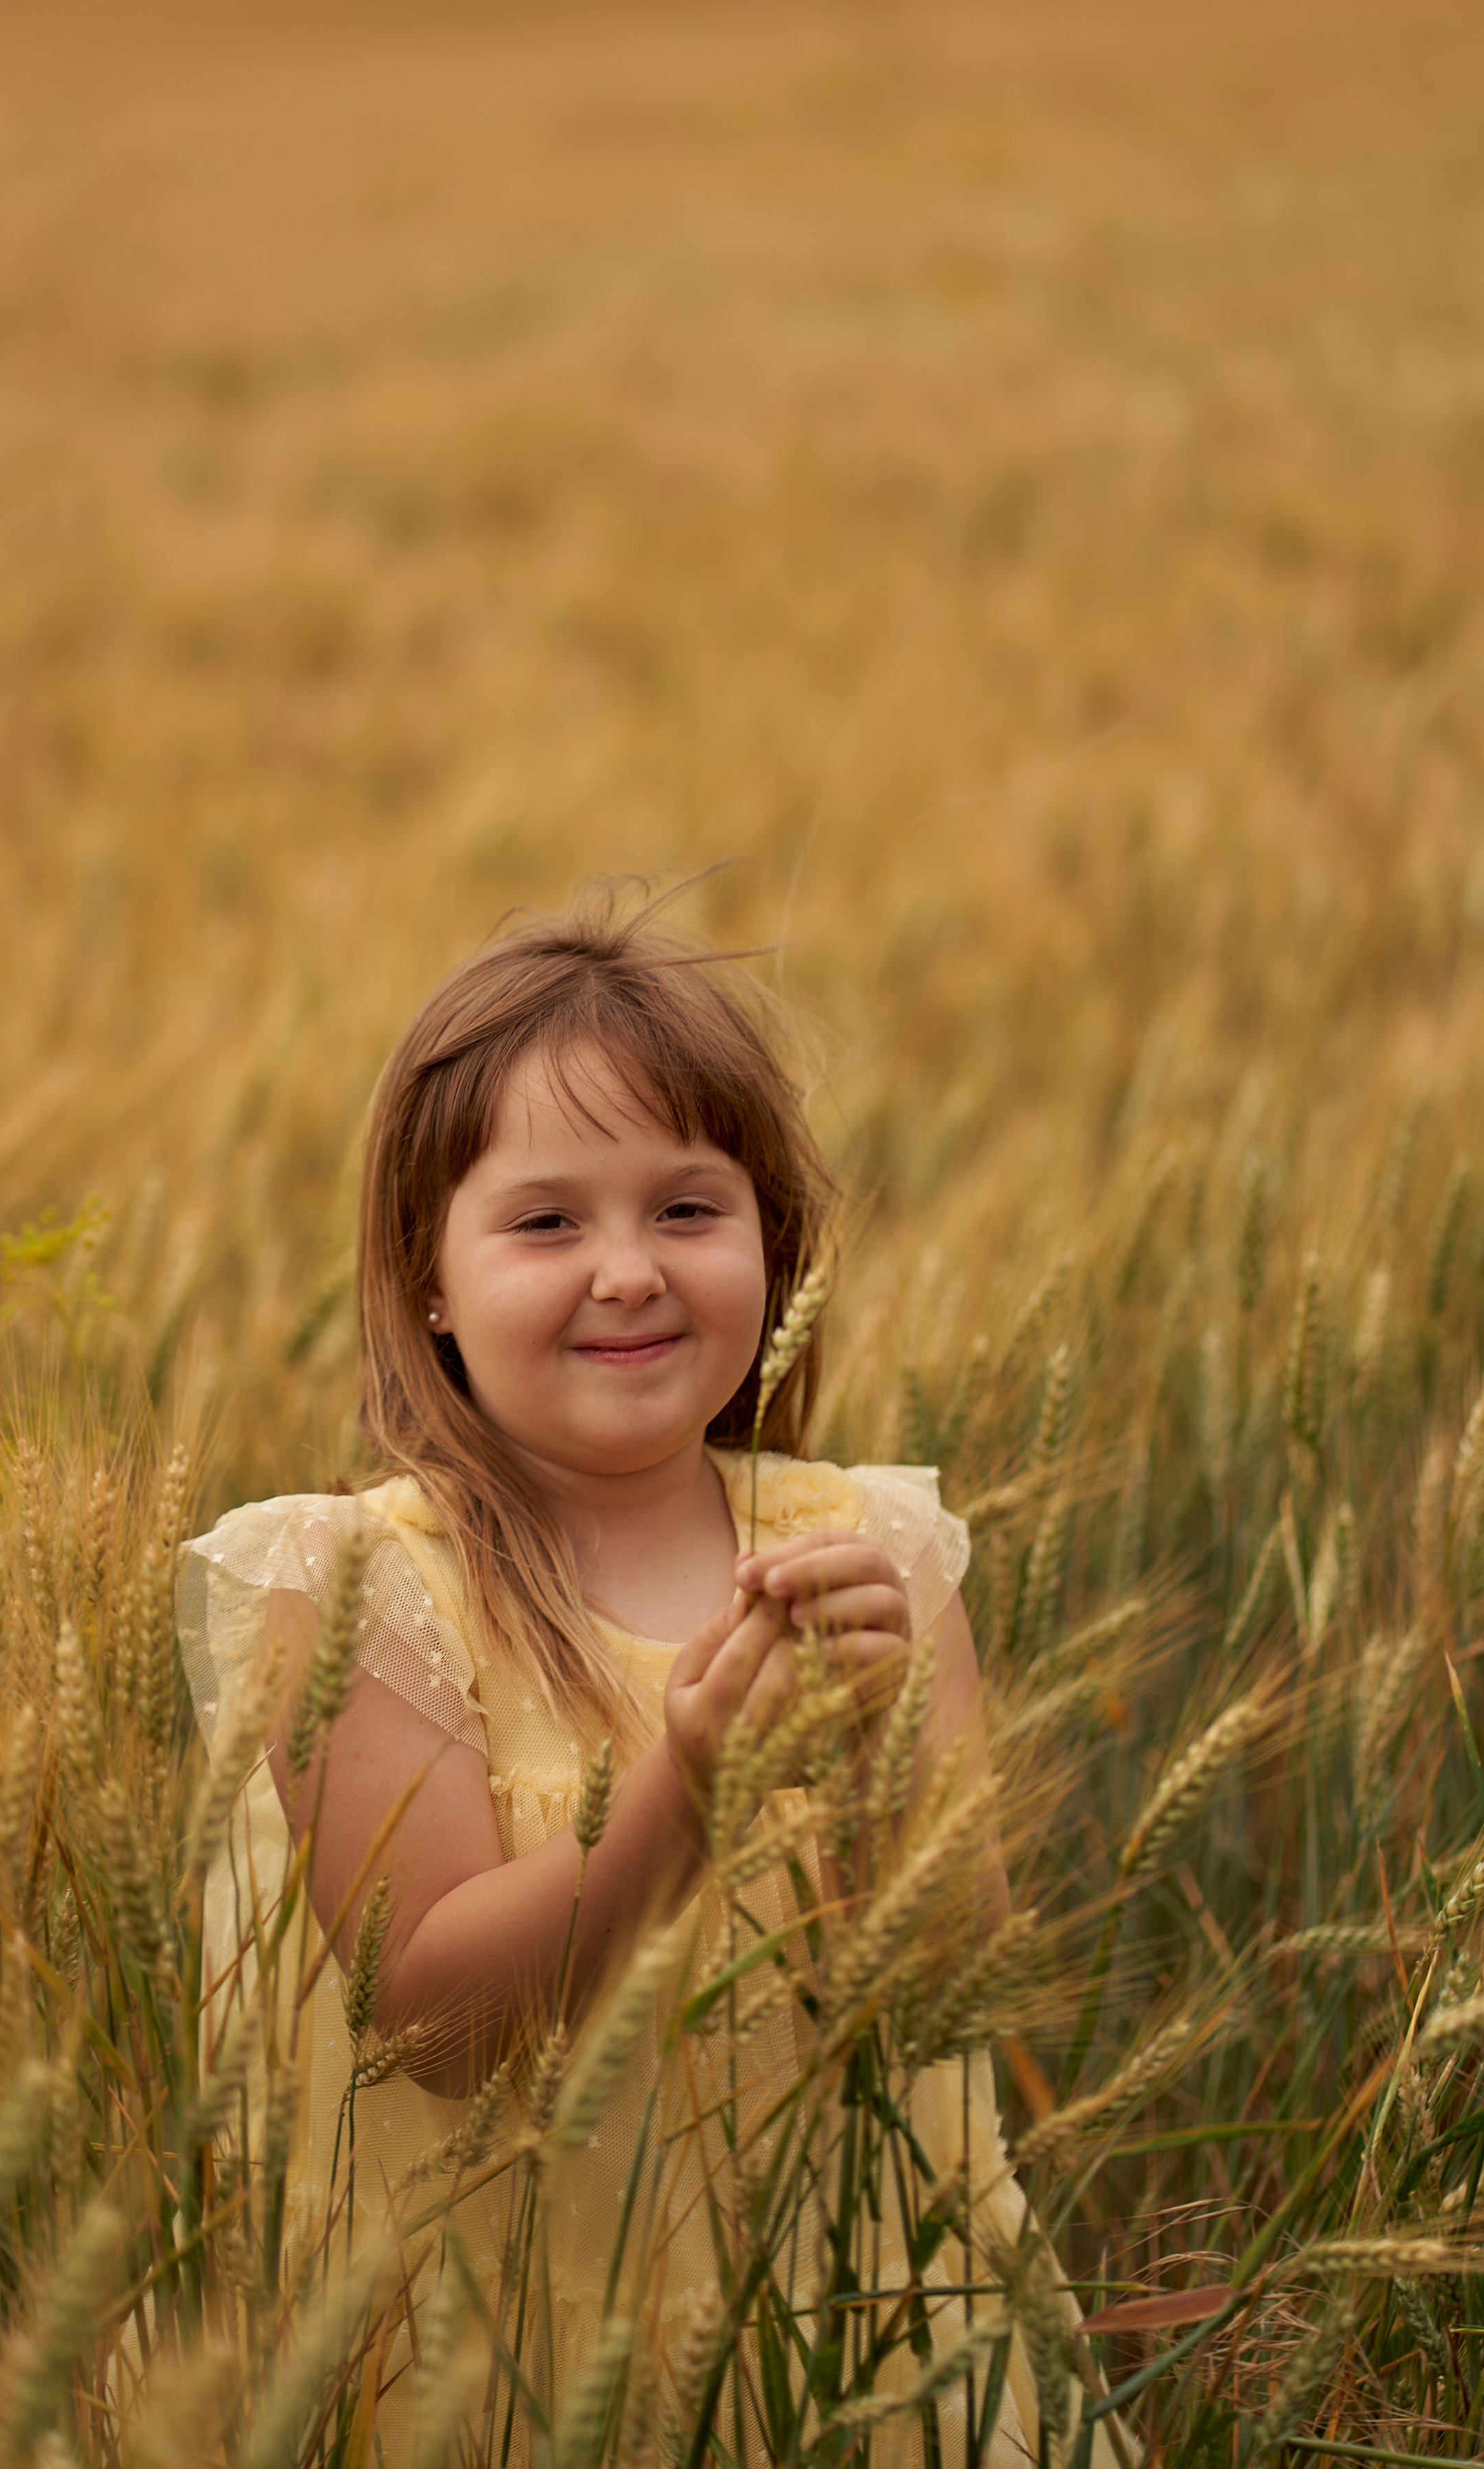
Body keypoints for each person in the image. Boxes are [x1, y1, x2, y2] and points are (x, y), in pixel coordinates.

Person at [177, 884, 1119, 2464]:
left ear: (772, 1245)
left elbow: (953, 1972)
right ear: (428, 1277)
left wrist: (883, 1753)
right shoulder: (352, 1589)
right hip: (510, 2341)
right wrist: (679, 1794)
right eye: (546, 1222)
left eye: (687, 1210)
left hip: (844, 2311)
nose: (626, 1271)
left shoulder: (876, 1550)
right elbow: (427, 2027)